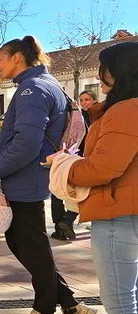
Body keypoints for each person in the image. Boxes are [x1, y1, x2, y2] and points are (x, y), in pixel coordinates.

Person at [0, 36, 96, 314]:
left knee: (32, 246)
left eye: (0, 59)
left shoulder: (32, 90)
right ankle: (70, 307)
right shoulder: (43, 85)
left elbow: (27, 142)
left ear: (17, 57)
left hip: (25, 180)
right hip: (27, 179)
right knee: (23, 243)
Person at [62, 42, 138, 314]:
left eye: (104, 68)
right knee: (130, 302)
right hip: (127, 210)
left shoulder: (125, 111)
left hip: (118, 214)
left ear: (120, 71)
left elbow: (104, 168)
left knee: (120, 304)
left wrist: (66, 168)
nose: (98, 75)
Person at [50, 90, 96, 241]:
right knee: (78, 193)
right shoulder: (80, 116)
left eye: (87, 100)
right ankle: (65, 221)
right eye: (82, 100)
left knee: (61, 192)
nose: (84, 103)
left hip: (71, 158)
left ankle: (63, 225)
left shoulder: (82, 116)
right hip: (76, 159)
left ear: (94, 100)